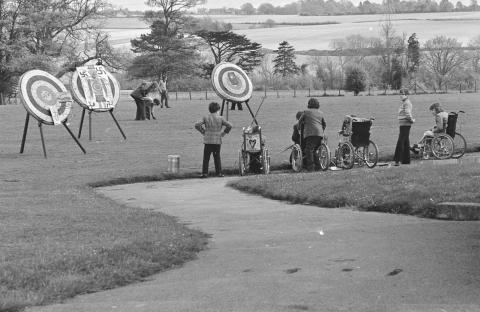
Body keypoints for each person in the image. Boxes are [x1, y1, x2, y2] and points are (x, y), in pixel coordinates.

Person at [195, 102, 233, 178]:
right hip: (217, 140)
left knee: (206, 158)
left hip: (208, 140)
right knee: (217, 157)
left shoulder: (206, 117)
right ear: (218, 109)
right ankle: (219, 173)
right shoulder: (220, 118)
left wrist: (203, 131)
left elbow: (197, 125)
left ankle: (205, 173)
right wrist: (224, 133)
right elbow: (230, 125)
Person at [297, 98, 326, 171]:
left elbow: (299, 122)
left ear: (309, 104)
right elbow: (324, 124)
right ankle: (318, 167)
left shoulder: (306, 112)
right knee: (313, 151)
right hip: (319, 134)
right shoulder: (321, 113)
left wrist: (299, 129)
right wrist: (321, 131)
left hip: (310, 133)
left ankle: (311, 168)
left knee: (308, 150)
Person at [393, 88, 415, 166]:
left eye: (402, 94)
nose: (401, 96)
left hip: (405, 125)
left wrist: (412, 120)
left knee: (400, 142)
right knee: (406, 142)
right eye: (400, 94)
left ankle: (397, 160)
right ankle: (406, 160)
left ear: (406, 95)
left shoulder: (407, 103)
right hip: (404, 125)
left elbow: (407, 114)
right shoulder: (404, 103)